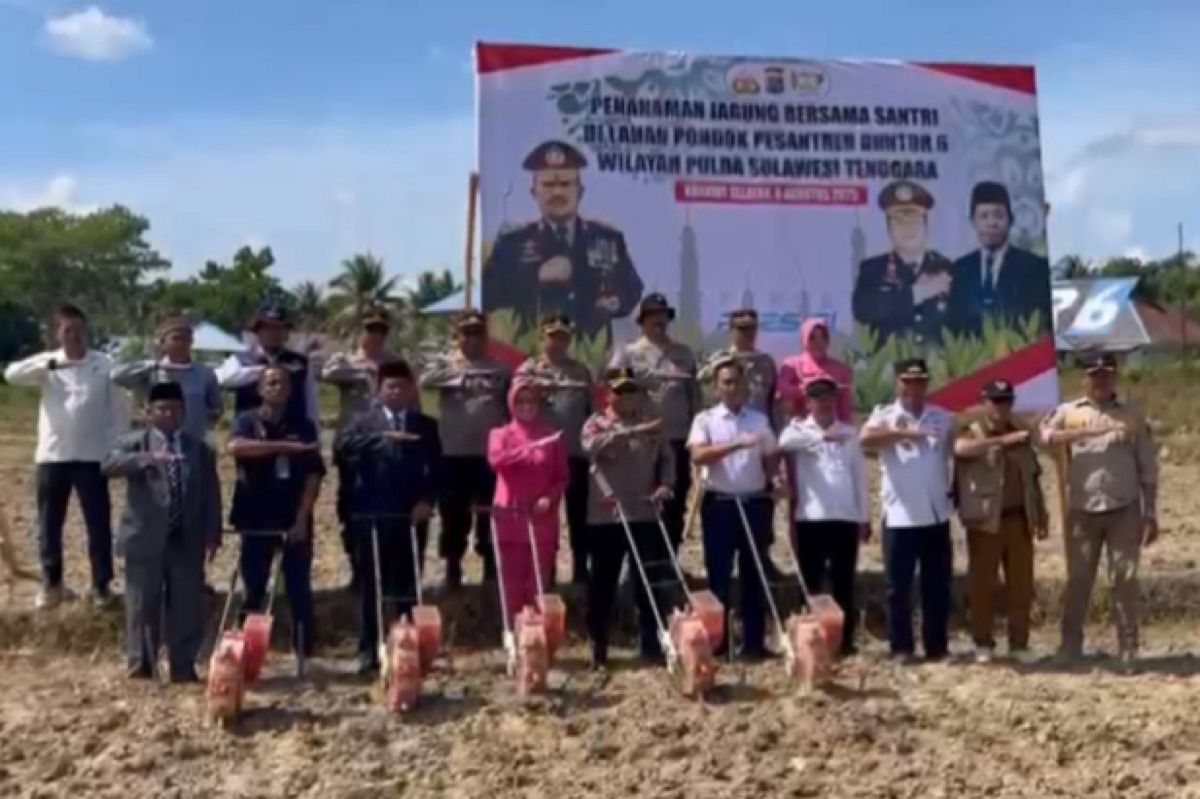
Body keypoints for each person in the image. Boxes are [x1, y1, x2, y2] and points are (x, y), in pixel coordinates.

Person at [3, 303, 127, 608]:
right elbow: (11, 375)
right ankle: (52, 585)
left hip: (92, 457)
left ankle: (101, 586)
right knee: (49, 524)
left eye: (79, 330)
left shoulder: (104, 363)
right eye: (67, 330)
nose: (74, 336)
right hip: (52, 456)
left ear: (86, 331)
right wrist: (47, 366)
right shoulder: (48, 363)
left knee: (98, 524)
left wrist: (115, 448)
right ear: (58, 333)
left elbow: (118, 410)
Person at [1040, 352, 1158, 665]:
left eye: (1107, 373)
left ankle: (1128, 648)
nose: (1101, 379)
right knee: (1078, 579)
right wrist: (1077, 433)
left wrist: (1151, 512)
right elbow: (1045, 437)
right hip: (1082, 510)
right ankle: (1070, 646)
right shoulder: (1068, 412)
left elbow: (1148, 467)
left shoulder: (1132, 415)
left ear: (1115, 377)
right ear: (1084, 378)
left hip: (1124, 508)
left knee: (1125, 578)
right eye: (1094, 374)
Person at [102, 382, 221, 682]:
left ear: (183, 412)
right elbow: (108, 464)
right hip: (144, 539)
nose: (169, 413)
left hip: (186, 539)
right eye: (162, 408)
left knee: (186, 606)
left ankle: (183, 666)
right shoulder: (134, 442)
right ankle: (142, 665)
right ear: (149, 412)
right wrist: (147, 460)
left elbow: (211, 494)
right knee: (143, 604)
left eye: (175, 408)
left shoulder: (199, 448)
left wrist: (212, 534)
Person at [335, 361, 441, 676]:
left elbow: (438, 469)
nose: (396, 392)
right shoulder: (363, 422)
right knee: (372, 585)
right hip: (371, 514)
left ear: (411, 391)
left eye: (402, 386)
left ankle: (408, 647)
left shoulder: (425, 425)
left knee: (407, 585)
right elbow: (342, 449)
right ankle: (369, 650)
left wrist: (427, 500)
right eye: (390, 386)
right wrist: (384, 437)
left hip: (410, 517)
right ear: (379, 391)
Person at [484, 139, 644, 341]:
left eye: (565, 184)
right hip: (533, 355)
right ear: (534, 192)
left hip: (590, 355)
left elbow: (632, 289)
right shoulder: (512, 243)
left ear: (580, 191)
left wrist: (614, 302)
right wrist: (535, 278)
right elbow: (489, 297)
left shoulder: (607, 239)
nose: (557, 192)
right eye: (549, 184)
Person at [860, 358, 955, 660]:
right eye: (907, 381)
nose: (914, 387)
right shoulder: (885, 415)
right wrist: (906, 434)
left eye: (920, 381)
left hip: (936, 513)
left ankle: (936, 646)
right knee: (897, 588)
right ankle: (901, 646)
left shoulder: (941, 416)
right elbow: (865, 440)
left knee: (937, 585)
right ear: (897, 383)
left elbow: (955, 449)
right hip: (900, 516)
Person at [227, 365, 325, 658]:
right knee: (253, 586)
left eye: (282, 383)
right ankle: (243, 651)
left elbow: (314, 474)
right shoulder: (246, 420)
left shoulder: (303, 425)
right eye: (270, 383)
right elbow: (235, 447)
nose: (277, 388)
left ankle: (303, 654)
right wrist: (281, 446)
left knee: (298, 589)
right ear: (260, 389)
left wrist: (302, 518)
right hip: (256, 515)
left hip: (293, 516)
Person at [688, 358, 782, 659]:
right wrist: (735, 446)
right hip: (720, 505)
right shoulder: (705, 420)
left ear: (745, 386)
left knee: (754, 573)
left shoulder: (759, 421)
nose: (732, 387)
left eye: (737, 381)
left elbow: (770, 456)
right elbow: (699, 456)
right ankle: (719, 643)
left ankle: (754, 643)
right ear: (716, 387)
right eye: (726, 382)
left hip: (755, 503)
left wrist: (775, 477)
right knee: (719, 576)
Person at [582, 367, 675, 668]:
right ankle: (598, 646)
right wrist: (628, 432)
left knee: (646, 582)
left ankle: (650, 643)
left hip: (643, 512)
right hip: (606, 515)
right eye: (619, 391)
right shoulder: (596, 424)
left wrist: (665, 485)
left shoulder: (652, 425)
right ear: (608, 394)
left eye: (631, 390)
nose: (626, 397)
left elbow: (667, 459)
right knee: (603, 583)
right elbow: (590, 447)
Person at [954, 379, 1049, 663]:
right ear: (984, 403)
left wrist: (1040, 514)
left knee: (1021, 585)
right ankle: (983, 642)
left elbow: (1032, 478)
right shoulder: (972, 432)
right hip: (986, 523)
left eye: (1006, 401)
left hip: (1019, 520)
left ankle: (1019, 643)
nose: (1001, 407)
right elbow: (960, 449)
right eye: (995, 401)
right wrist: (999, 442)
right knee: (982, 585)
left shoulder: (1021, 433)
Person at [777, 377, 870, 656]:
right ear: (808, 403)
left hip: (844, 517)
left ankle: (843, 641)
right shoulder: (799, 430)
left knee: (843, 582)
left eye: (829, 398)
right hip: (811, 518)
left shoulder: (849, 433)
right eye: (818, 398)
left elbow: (860, 478)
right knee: (812, 582)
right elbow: (784, 442)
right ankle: (809, 639)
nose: (825, 403)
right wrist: (821, 437)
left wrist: (864, 517)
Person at [419, 310, 510, 590]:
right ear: (458, 337)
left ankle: (490, 570)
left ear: (486, 337)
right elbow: (425, 381)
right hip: (453, 453)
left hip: (490, 455)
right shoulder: (446, 365)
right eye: (466, 333)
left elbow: (515, 402)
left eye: (477, 333)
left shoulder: (500, 369)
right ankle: (453, 568)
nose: (472, 339)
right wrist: (458, 369)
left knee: (490, 514)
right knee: (453, 514)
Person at [321, 307, 407, 590]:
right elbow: (327, 372)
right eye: (370, 328)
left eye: (381, 329)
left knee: (388, 508)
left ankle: (386, 570)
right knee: (352, 510)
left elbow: (410, 395)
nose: (375, 335)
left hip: (387, 445)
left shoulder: (395, 363)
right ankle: (357, 569)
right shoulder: (345, 361)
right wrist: (363, 370)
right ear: (360, 331)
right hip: (354, 447)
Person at [610, 293, 699, 555]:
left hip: (677, 437)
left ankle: (670, 560)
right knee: (641, 501)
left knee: (674, 499)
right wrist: (641, 381)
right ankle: (639, 562)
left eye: (663, 317)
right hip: (642, 439)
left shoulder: (683, 353)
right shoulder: (628, 353)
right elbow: (612, 387)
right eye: (653, 317)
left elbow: (694, 397)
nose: (659, 322)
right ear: (643, 321)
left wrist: (696, 437)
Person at [515, 312, 595, 584]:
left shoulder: (580, 371)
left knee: (579, 515)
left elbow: (591, 413)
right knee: (543, 518)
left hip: (574, 453)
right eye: (553, 337)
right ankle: (544, 574)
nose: (558, 342)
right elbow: (516, 408)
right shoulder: (529, 370)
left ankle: (581, 570)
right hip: (541, 458)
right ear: (542, 337)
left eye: (563, 337)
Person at [486, 380, 568, 625]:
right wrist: (529, 449)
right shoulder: (499, 434)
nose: (526, 407)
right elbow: (497, 460)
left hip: (541, 518)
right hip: (510, 516)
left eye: (531, 401)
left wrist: (549, 498)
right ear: (511, 404)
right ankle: (513, 631)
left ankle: (537, 635)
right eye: (520, 401)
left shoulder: (550, 437)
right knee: (511, 582)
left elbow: (562, 477)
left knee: (537, 582)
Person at [852, 181, 954, 348]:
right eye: (899, 221)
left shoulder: (946, 268)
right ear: (888, 228)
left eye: (914, 220)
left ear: (926, 225)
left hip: (939, 369)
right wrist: (918, 293)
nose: (908, 228)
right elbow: (863, 311)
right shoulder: (872, 270)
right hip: (890, 368)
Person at [949, 181, 1052, 337]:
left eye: (998, 215)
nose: (992, 223)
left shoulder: (1035, 268)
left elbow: (1041, 324)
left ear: (1010, 220)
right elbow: (953, 325)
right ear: (973, 221)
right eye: (984, 216)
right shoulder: (961, 269)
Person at [110, 314, 223, 441]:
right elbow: (117, 377)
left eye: (186, 339)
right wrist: (152, 364)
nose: (181, 343)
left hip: (193, 443)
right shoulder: (151, 371)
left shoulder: (204, 373)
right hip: (156, 445)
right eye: (176, 338)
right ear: (162, 343)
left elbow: (216, 408)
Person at [215, 303, 319, 429]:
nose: (273, 333)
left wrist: (315, 434)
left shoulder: (301, 362)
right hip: (251, 433)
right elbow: (223, 379)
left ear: (287, 332)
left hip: (292, 434)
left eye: (279, 328)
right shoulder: (242, 359)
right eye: (268, 328)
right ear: (257, 331)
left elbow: (311, 403)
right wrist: (265, 371)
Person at [698, 308, 777, 419]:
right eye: (742, 329)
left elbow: (773, 402)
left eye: (752, 328)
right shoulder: (718, 360)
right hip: (725, 425)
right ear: (731, 330)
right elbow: (704, 397)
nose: (749, 333)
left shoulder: (766, 363)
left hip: (759, 426)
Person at [776, 317, 854, 423]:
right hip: (800, 426)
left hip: (832, 427)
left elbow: (844, 406)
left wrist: (845, 428)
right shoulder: (792, 365)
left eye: (823, 337)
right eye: (812, 338)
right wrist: (809, 388)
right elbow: (781, 389)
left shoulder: (839, 368)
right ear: (804, 339)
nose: (819, 342)